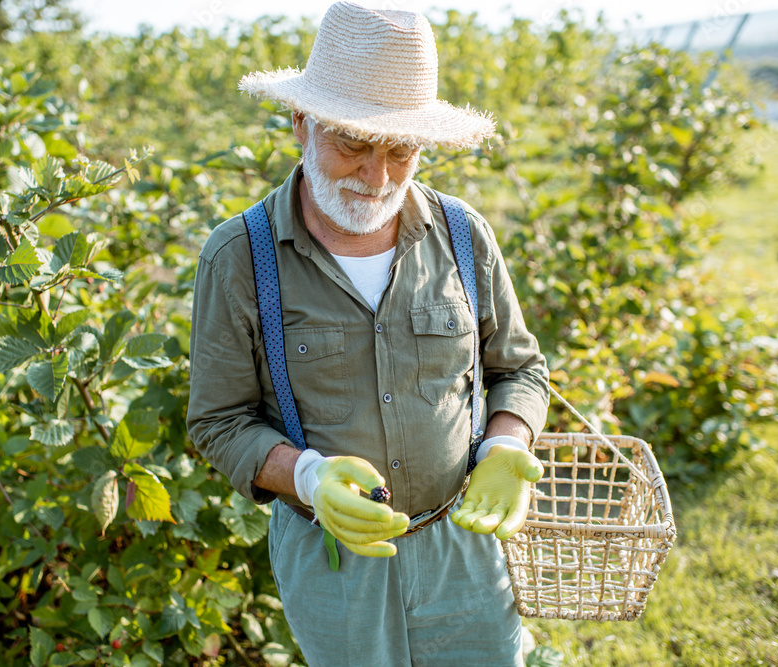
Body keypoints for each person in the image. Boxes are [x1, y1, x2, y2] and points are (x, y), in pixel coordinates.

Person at [187, 3, 549, 665]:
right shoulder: (239, 255)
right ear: (301, 123)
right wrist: (309, 474)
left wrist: (504, 445)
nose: (375, 175)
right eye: (352, 142)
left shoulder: (462, 235)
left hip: (460, 541)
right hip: (332, 559)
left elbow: (518, 368)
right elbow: (218, 419)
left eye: (400, 149)